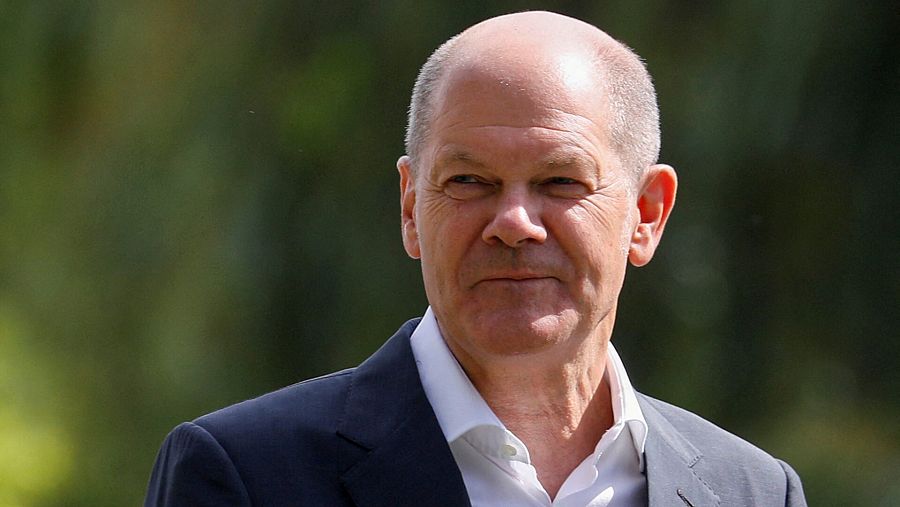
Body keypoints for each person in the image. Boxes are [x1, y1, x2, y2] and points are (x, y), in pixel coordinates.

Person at [145, 11, 807, 507]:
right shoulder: (248, 475)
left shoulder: (751, 491)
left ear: (647, 214)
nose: (513, 222)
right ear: (411, 207)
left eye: (560, 182)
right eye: (469, 181)